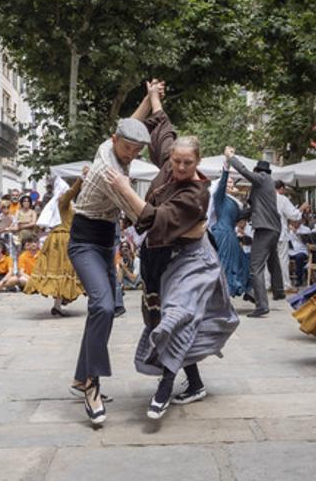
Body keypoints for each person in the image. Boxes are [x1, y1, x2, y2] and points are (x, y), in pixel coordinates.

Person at [105, 80, 238, 420]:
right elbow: (163, 127)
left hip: (192, 260)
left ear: (198, 162)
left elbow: (154, 218)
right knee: (159, 318)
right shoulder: (168, 159)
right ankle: (194, 383)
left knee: (175, 319)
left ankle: (163, 388)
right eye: (176, 161)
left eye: (186, 163)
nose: (178, 168)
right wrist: (152, 96)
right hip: (159, 258)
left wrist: (123, 189)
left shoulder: (197, 195)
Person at [67, 85, 153, 426]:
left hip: (107, 241)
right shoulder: (109, 173)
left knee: (104, 311)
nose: (131, 154)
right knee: (102, 305)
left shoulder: (111, 144)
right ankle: (91, 384)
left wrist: (149, 97)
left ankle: (78, 376)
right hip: (85, 241)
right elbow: (141, 215)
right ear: (114, 140)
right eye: (127, 147)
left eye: (136, 149)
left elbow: (131, 123)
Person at [226, 148, 284, 317]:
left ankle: (261, 305)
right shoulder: (267, 185)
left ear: (257, 171)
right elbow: (254, 209)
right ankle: (279, 291)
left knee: (255, 266)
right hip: (273, 228)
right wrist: (237, 216)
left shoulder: (262, 179)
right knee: (273, 262)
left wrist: (231, 158)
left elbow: (243, 171)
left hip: (265, 228)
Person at [24, 175, 85, 317]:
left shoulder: (66, 204)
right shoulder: (62, 201)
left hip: (62, 237)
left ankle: (60, 302)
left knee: (63, 271)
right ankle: (59, 303)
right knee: (62, 270)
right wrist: (80, 180)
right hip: (62, 238)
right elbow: (71, 193)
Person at [208, 164, 250, 297]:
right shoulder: (219, 198)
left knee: (241, 261)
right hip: (222, 233)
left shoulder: (234, 201)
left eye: (232, 181)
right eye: (229, 181)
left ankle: (235, 290)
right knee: (225, 263)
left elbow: (238, 218)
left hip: (230, 234)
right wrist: (226, 167)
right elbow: (222, 184)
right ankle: (220, 295)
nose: (231, 183)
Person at [276, 180, 306, 293]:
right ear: (281, 189)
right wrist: (301, 209)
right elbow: (293, 215)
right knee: (282, 259)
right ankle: (285, 285)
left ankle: (268, 283)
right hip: (279, 233)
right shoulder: (282, 199)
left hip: (266, 233)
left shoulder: (264, 196)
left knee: (268, 260)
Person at [287, 220, 309, 288]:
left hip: (302, 251)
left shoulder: (306, 229)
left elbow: (307, 240)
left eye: (296, 222)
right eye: (293, 222)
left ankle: (299, 279)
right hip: (290, 251)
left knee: (299, 258)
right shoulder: (287, 229)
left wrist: (296, 232)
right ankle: (285, 279)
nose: (294, 223)